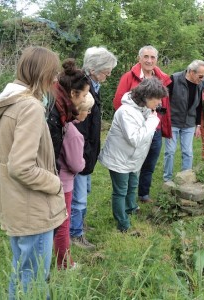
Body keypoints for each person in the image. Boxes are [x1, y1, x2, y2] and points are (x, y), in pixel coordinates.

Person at [0, 46, 67, 299]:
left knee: (23, 272)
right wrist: (54, 183)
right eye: (53, 74)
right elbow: (21, 166)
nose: (55, 80)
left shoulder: (10, 102)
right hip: (32, 208)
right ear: (41, 73)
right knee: (33, 279)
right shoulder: (30, 107)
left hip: (18, 203)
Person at [99, 78, 168, 232]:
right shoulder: (126, 112)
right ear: (147, 96)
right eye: (157, 99)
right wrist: (152, 121)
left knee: (132, 186)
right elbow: (135, 139)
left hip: (133, 158)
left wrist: (150, 117)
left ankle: (130, 210)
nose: (159, 103)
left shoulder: (143, 109)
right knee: (120, 191)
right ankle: (123, 224)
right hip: (119, 158)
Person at [71, 47, 117, 249]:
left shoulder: (94, 85)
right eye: (106, 70)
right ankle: (75, 233)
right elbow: (78, 126)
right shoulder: (81, 88)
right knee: (78, 196)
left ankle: (80, 224)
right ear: (93, 69)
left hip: (89, 147)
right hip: (81, 149)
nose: (109, 74)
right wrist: (83, 152)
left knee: (85, 190)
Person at [113, 45, 172, 203]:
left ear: (156, 60)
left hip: (155, 127)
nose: (149, 60)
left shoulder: (162, 78)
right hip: (135, 128)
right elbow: (119, 102)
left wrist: (159, 121)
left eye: (152, 57)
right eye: (146, 57)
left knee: (150, 162)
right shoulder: (128, 77)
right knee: (133, 162)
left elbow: (163, 103)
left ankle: (143, 193)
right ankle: (126, 196)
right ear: (139, 58)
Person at [53, 59, 92, 268]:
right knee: (62, 224)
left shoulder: (63, 121)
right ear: (73, 95)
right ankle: (65, 263)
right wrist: (84, 160)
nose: (85, 100)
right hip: (64, 183)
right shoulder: (72, 131)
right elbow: (77, 164)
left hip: (54, 180)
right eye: (84, 95)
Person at [163, 60, 204, 182]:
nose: (203, 79)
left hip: (189, 123)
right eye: (200, 76)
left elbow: (199, 106)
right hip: (173, 121)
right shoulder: (174, 79)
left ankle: (185, 178)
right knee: (170, 151)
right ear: (191, 72)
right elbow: (164, 101)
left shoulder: (199, 84)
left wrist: (198, 124)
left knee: (188, 152)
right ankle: (167, 179)